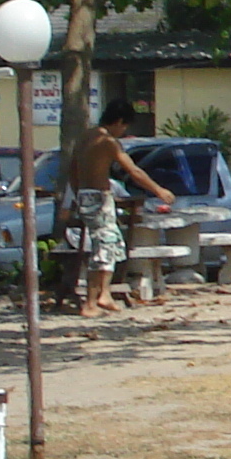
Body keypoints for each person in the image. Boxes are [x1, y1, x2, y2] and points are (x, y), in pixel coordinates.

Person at [66, 101, 172, 316]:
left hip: (86, 195)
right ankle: (90, 303)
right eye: (124, 127)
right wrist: (159, 190)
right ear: (119, 122)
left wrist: (79, 195)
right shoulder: (107, 141)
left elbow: (73, 171)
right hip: (98, 197)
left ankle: (104, 294)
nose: (123, 132)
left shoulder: (85, 138)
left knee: (113, 243)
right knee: (103, 248)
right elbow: (134, 172)